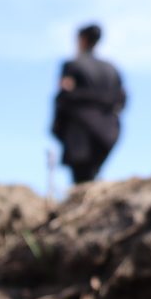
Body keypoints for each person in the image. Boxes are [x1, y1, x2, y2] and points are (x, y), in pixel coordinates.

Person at [51, 23, 126, 184]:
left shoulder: (73, 66)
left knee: (81, 177)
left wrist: (56, 126)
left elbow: (63, 96)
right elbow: (122, 99)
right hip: (107, 131)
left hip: (80, 131)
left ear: (82, 40)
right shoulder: (112, 69)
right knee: (91, 175)